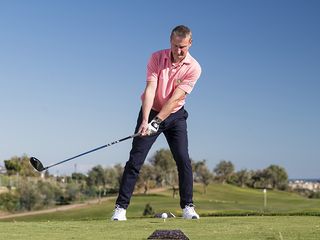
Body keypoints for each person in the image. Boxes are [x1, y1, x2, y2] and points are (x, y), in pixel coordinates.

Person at [111, 25, 201, 221]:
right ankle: (120, 209)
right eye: (175, 46)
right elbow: (151, 88)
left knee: (183, 160)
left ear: (190, 44)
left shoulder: (194, 68)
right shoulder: (156, 58)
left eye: (183, 47)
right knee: (135, 160)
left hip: (175, 115)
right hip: (151, 110)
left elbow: (176, 98)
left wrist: (158, 121)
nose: (178, 51)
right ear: (170, 41)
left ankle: (188, 206)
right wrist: (146, 120)